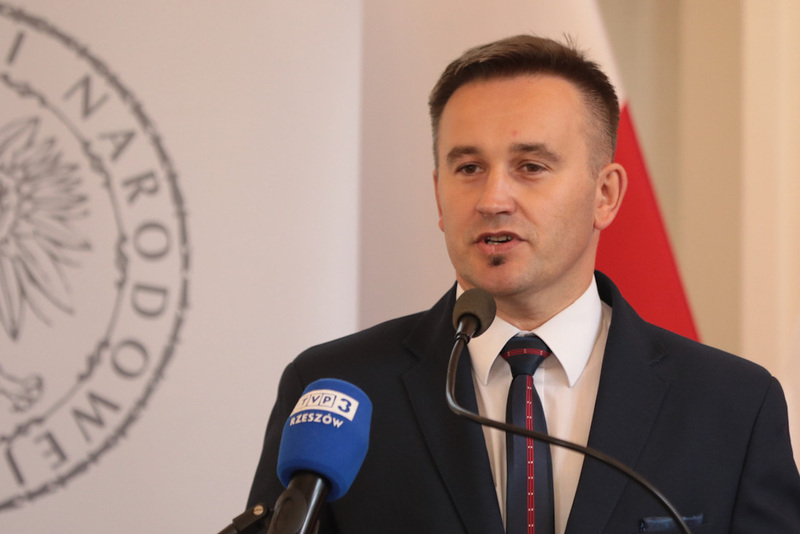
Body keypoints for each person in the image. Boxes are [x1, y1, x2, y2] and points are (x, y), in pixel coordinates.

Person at [248, 35, 800, 533]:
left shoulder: (732, 407)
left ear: (605, 194)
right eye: (468, 169)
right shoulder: (336, 389)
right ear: (439, 194)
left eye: (531, 166)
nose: (492, 200)